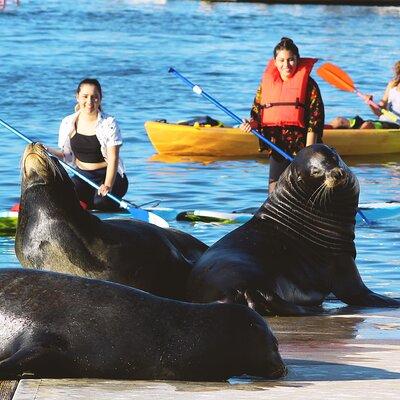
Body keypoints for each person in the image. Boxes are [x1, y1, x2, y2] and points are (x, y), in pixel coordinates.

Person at [240, 37, 324, 193]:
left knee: (303, 191)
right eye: (282, 60)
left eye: (291, 60)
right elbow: (257, 115)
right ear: (275, 61)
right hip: (277, 146)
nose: (286, 65)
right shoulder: (265, 85)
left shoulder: (310, 85)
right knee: (274, 192)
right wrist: (250, 124)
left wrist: (307, 154)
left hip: (303, 147)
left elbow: (315, 121)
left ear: (297, 59)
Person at [48, 78, 128, 211]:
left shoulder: (109, 123)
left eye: (94, 97)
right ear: (77, 97)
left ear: (100, 99)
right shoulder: (68, 122)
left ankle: (113, 207)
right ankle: (85, 207)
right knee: (60, 197)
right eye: (85, 96)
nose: (89, 101)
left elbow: (113, 159)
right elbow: (66, 155)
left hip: (110, 176)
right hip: (83, 176)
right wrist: (46, 149)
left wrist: (107, 185)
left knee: (100, 202)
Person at [329, 61, 400, 130]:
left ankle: (354, 138)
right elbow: (379, 112)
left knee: (367, 125)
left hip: (396, 126)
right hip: (381, 122)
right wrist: (370, 103)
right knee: (338, 121)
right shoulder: (392, 85)